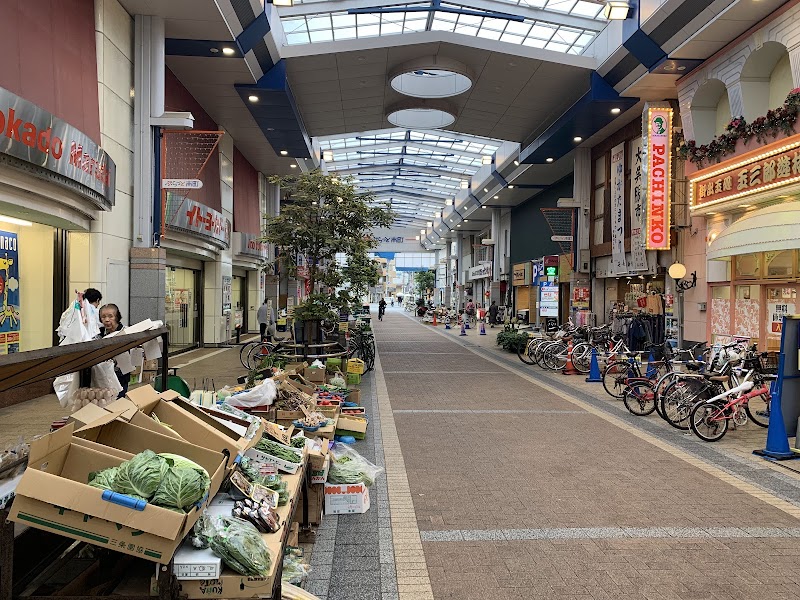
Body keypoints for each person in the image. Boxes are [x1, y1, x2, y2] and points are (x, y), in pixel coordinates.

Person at [99, 303, 130, 398]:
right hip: (103, 374)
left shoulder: (126, 332)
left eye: (110, 316)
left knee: (119, 400)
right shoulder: (98, 333)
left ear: (117, 317)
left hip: (121, 374)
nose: (107, 320)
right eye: (103, 317)